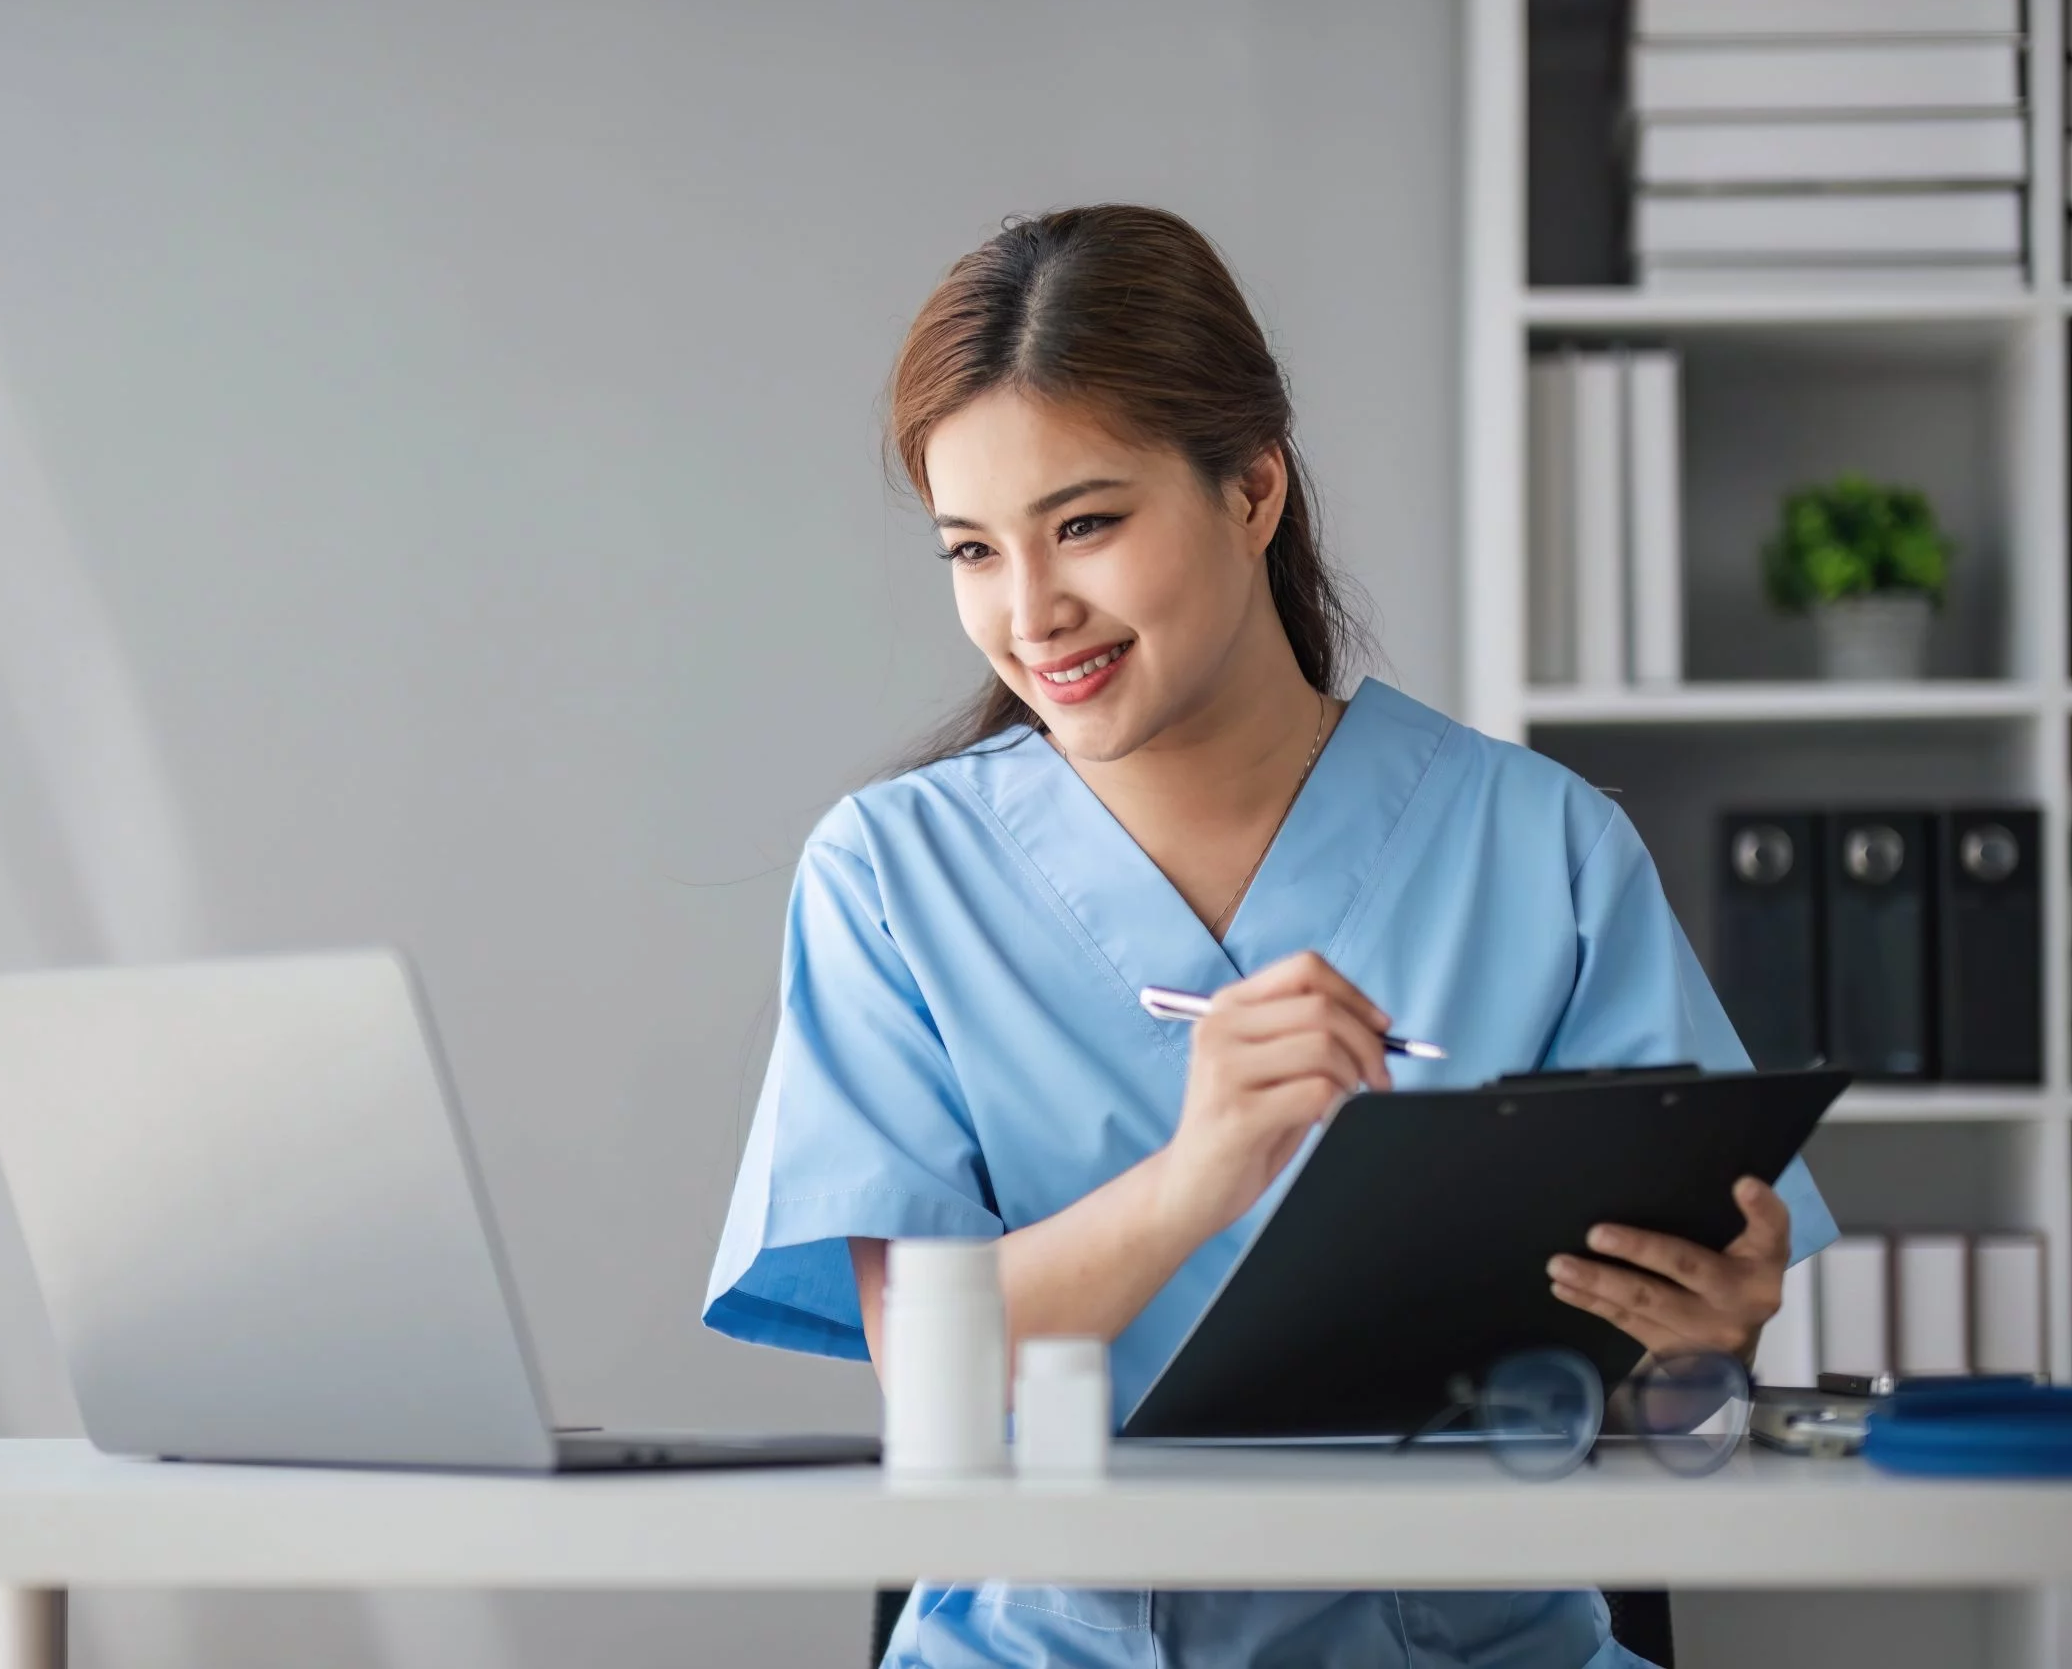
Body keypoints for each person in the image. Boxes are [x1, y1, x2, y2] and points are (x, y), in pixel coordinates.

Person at [701, 204, 1835, 1669]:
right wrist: (1195, 1175)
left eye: (1087, 523)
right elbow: (925, 1362)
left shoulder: (1539, 847)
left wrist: (1705, 1334)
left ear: (1252, 488)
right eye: (973, 550)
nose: (1031, 610)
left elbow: (1659, 1388)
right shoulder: (888, 876)